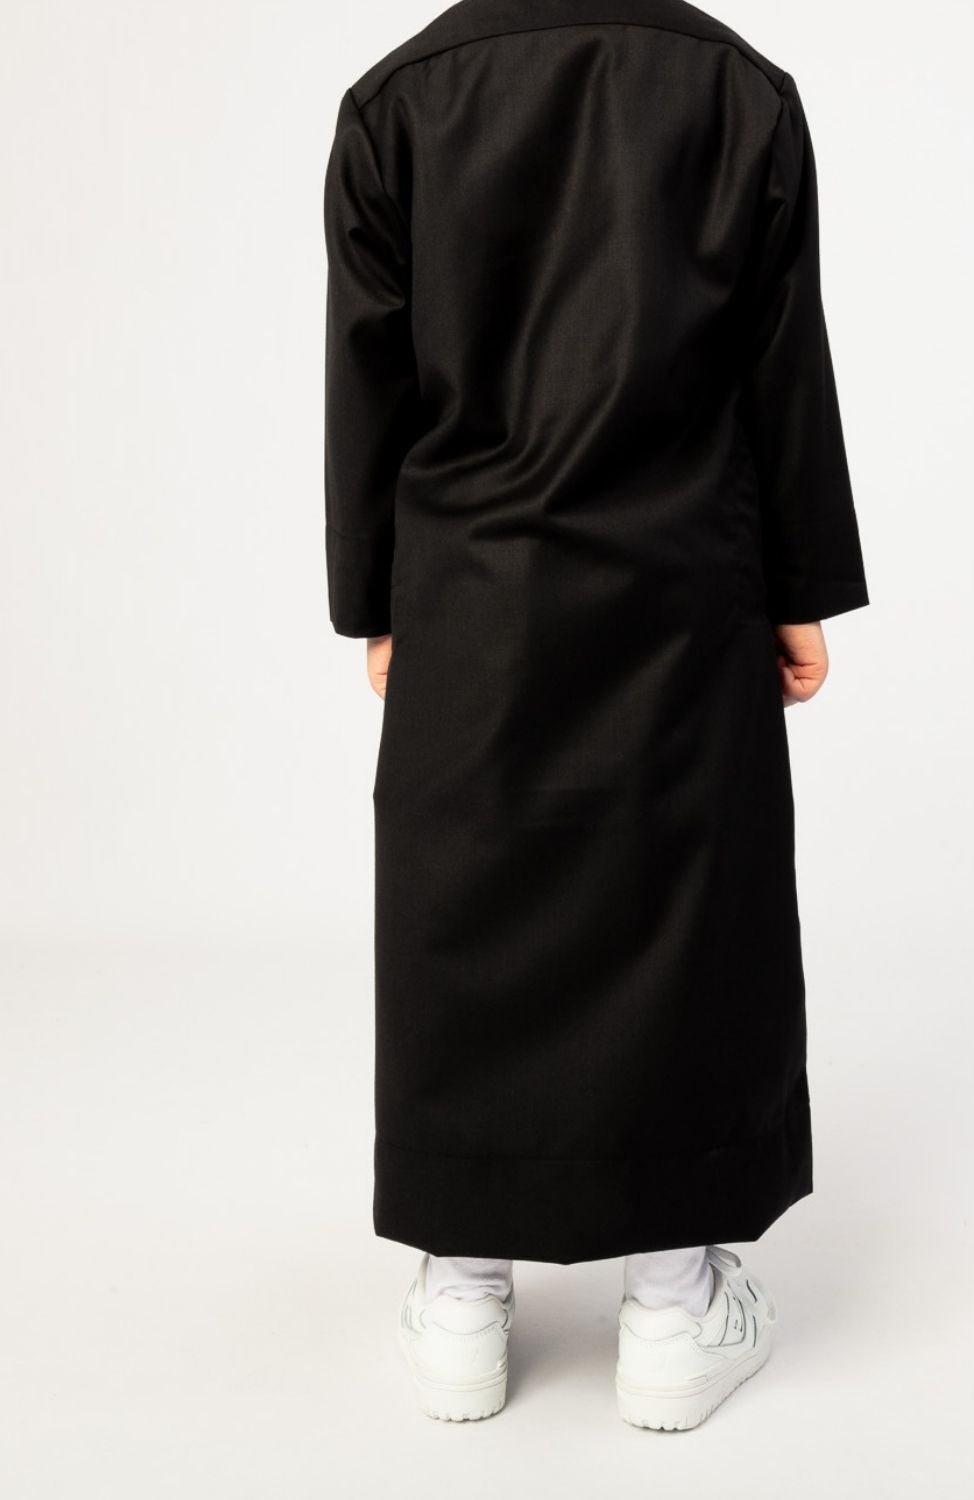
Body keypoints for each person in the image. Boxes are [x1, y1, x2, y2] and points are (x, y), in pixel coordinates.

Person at [323, 0, 868, 1430]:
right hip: (683, 575)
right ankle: (676, 1308)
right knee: (681, 894)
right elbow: (781, 359)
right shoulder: (740, 91)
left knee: (465, 893)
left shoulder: (396, 101)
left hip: (473, 585)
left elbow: (370, 373)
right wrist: (801, 584)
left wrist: (377, 597)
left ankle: (461, 1294)